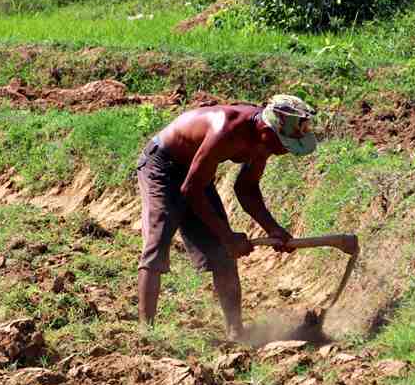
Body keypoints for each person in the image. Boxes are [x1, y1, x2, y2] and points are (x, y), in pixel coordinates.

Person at [136, 94, 318, 341]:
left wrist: (273, 229)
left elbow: (246, 189)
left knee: (223, 254)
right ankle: (147, 334)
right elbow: (190, 190)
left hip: (198, 173)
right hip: (163, 166)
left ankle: (236, 333)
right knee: (157, 244)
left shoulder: (263, 141)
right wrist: (227, 236)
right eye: (282, 144)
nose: (283, 152)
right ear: (266, 129)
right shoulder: (226, 130)